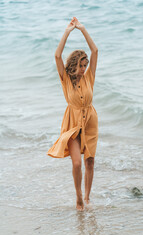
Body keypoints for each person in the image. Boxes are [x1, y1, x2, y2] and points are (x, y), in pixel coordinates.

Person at [47, 17, 98, 211]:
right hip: (72, 122)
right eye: (81, 65)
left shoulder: (89, 77)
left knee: (90, 161)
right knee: (77, 163)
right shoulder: (65, 79)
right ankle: (78, 198)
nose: (84, 69)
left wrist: (83, 29)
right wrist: (68, 31)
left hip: (91, 120)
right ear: (74, 64)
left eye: (86, 66)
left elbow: (95, 51)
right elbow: (57, 55)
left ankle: (87, 197)